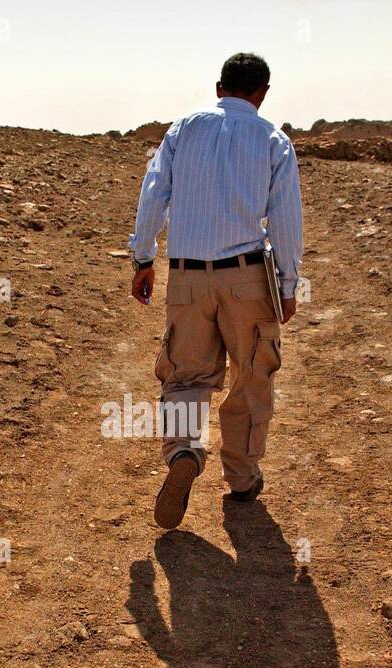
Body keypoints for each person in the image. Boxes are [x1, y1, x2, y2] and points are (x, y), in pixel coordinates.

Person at [128, 52, 303, 530]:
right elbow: (286, 220)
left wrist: (144, 258)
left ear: (219, 87)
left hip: (187, 275)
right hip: (247, 276)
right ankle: (242, 478)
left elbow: (153, 192)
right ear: (262, 93)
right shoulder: (273, 139)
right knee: (252, 374)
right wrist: (288, 285)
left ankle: (184, 451)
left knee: (185, 376)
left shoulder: (184, 128)